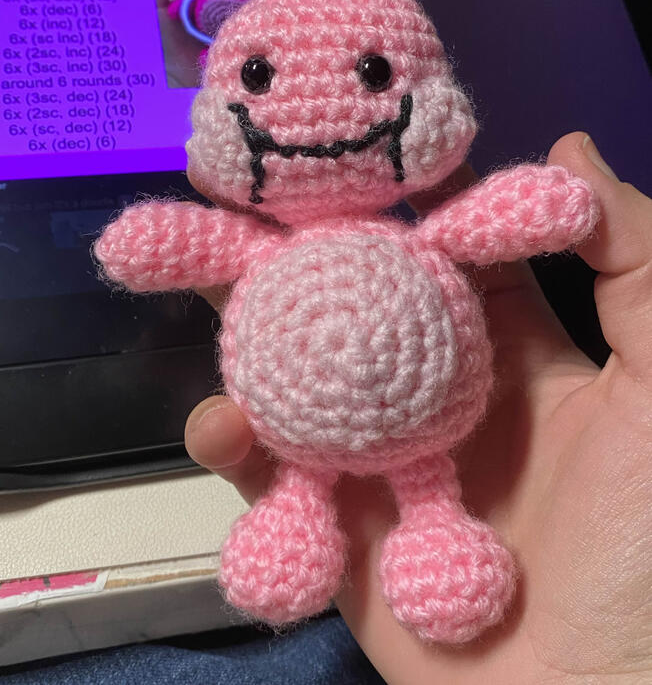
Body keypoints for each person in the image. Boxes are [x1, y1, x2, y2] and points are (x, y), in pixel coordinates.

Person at [185, 132, 652, 684]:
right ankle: (306, 511)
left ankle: (397, 523)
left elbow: (511, 215)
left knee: (411, 480)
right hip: (309, 420)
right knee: (342, 474)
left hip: (406, 416)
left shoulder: (411, 250)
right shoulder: (385, 249)